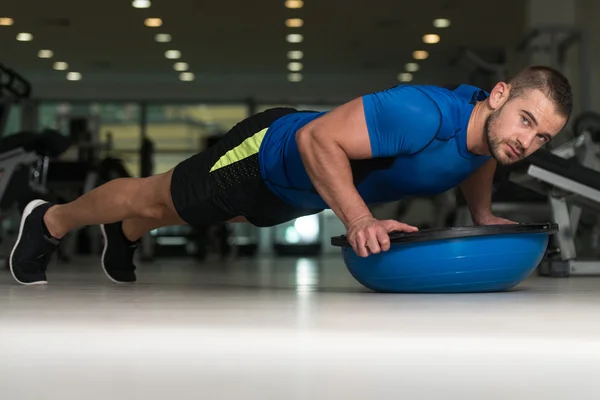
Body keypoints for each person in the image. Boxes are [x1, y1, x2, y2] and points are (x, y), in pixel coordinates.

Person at [9, 65, 572, 285]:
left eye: (541, 136)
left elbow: (478, 158)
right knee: (159, 198)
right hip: (271, 153)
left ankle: (123, 233)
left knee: (206, 213)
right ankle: (50, 220)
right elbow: (316, 138)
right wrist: (357, 218)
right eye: (525, 121)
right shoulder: (422, 112)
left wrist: (481, 214)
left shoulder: (487, 131)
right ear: (499, 96)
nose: (526, 142)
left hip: (300, 189)